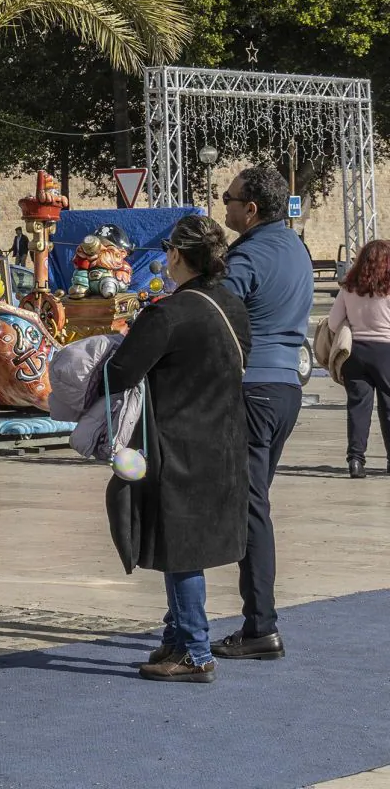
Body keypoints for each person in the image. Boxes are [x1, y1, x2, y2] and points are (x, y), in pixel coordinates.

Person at [99, 215, 251, 682]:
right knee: (188, 546)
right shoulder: (230, 303)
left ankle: (195, 651)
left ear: (178, 256)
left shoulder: (169, 313)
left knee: (180, 549)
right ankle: (175, 637)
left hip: (177, 444)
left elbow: (120, 373)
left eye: (168, 252)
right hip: (223, 441)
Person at [216, 165, 313, 661]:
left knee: (251, 509)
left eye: (228, 198)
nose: (224, 205)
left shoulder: (249, 253)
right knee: (251, 504)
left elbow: (216, 311)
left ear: (250, 209)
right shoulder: (294, 247)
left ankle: (260, 627)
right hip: (283, 388)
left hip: (251, 389)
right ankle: (257, 622)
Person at [327, 238, 390, 478]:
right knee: (389, 407)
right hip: (386, 351)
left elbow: (333, 323)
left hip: (355, 352)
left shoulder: (349, 287)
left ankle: (355, 459)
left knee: (357, 407)